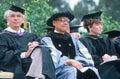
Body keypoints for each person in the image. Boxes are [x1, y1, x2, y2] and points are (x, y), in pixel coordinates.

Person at [0, 5, 56, 79]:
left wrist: (35, 46)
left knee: (40, 49)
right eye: (12, 16)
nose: (16, 18)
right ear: (7, 19)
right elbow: (3, 56)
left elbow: (47, 50)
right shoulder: (2, 37)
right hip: (16, 64)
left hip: (33, 62)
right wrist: (25, 53)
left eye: (19, 16)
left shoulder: (31, 36)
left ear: (23, 20)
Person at [41, 12, 101, 79]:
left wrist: (77, 61)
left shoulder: (73, 40)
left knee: (92, 70)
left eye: (67, 21)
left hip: (76, 66)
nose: (66, 23)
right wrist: (68, 61)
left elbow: (82, 54)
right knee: (71, 70)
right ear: (54, 23)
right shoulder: (47, 40)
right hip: (59, 70)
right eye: (62, 20)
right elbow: (51, 58)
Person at [79, 11, 120, 79]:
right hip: (96, 68)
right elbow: (88, 57)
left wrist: (113, 57)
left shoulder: (106, 40)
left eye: (101, 25)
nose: (101, 27)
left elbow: (114, 53)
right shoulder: (83, 41)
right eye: (98, 25)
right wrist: (103, 59)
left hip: (111, 65)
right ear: (89, 26)